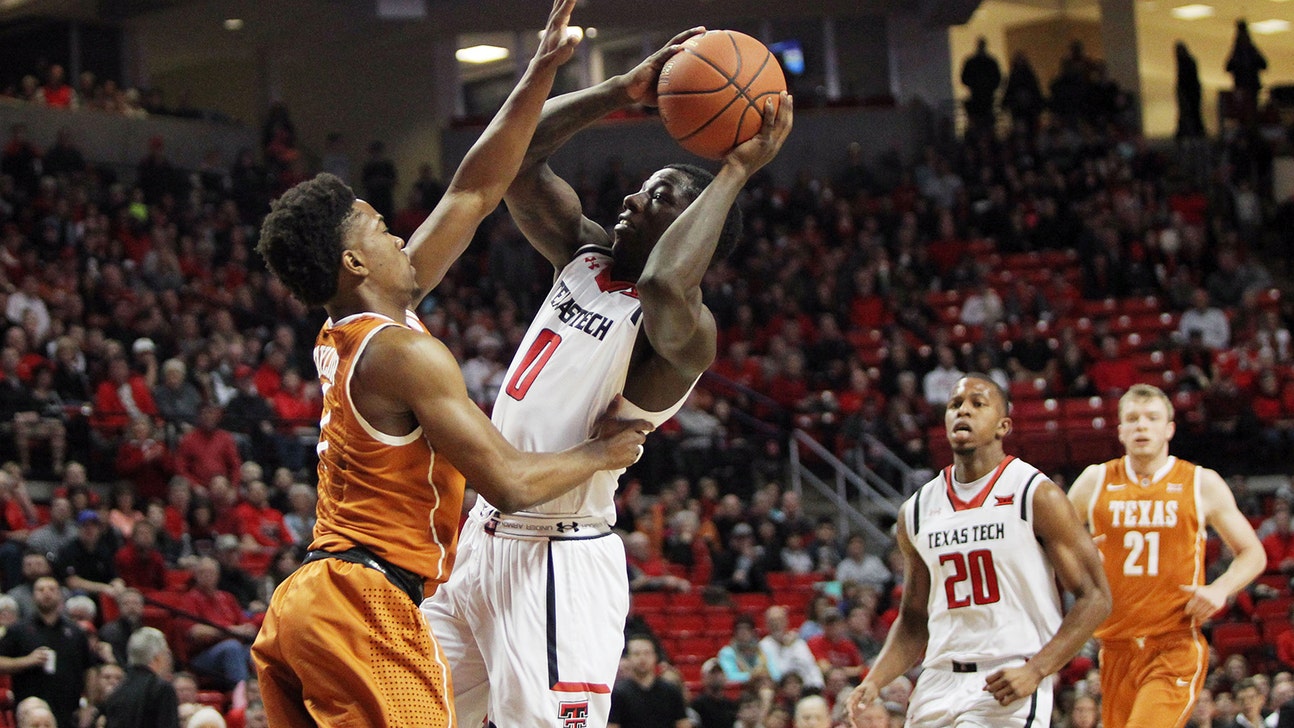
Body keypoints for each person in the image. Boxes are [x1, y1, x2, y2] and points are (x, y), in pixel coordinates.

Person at [248, 2, 648, 725]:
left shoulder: (359, 326)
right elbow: (512, 482)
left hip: (311, 604)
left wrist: (546, 71)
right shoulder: (401, 351)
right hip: (360, 608)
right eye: (379, 228)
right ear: (352, 261)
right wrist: (604, 452)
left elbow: (474, 192)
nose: (400, 231)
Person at [420, 23, 792, 728]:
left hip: (559, 554)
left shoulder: (681, 333)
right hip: (483, 539)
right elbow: (520, 161)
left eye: (654, 199)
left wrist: (736, 171)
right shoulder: (583, 256)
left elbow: (663, 284)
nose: (628, 200)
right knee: (407, 713)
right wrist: (621, 91)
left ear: (693, 232)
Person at [848, 375, 1111, 728]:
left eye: (977, 403)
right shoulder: (917, 510)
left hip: (1008, 676)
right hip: (938, 679)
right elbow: (913, 619)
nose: (963, 411)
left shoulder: (1034, 494)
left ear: (1003, 426)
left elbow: (1095, 596)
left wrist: (1037, 670)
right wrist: (874, 680)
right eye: (955, 405)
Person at [1066, 383, 1266, 728]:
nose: (1142, 425)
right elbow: (1052, 545)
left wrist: (1219, 589)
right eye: (1133, 418)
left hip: (1173, 643)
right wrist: (1080, 562)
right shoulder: (1094, 481)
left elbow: (1253, 553)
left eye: (1152, 418)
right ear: (1121, 430)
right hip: (1115, 646)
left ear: (1169, 428)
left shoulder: (1200, 482)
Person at [0, 575, 98, 728]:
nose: (46, 593)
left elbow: (89, 669)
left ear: (60, 594)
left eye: (51, 589)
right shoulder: (18, 630)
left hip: (68, 711)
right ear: (33, 595)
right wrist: (26, 661)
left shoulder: (75, 632)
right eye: (41, 589)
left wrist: (90, 706)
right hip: (31, 711)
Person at [98, 626, 180, 728]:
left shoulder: (117, 692)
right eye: (166, 654)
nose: (169, 661)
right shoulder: (161, 689)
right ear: (157, 658)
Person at [608, 635, 690, 728]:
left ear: (655, 656)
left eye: (647, 653)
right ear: (629, 658)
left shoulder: (671, 691)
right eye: (636, 654)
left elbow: (683, 723)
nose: (642, 658)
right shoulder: (618, 693)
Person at [960, 37, 1002, 134]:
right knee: (980, 127)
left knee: (985, 127)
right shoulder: (989, 62)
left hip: (985, 99)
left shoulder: (978, 62)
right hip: (979, 100)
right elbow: (964, 79)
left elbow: (997, 79)